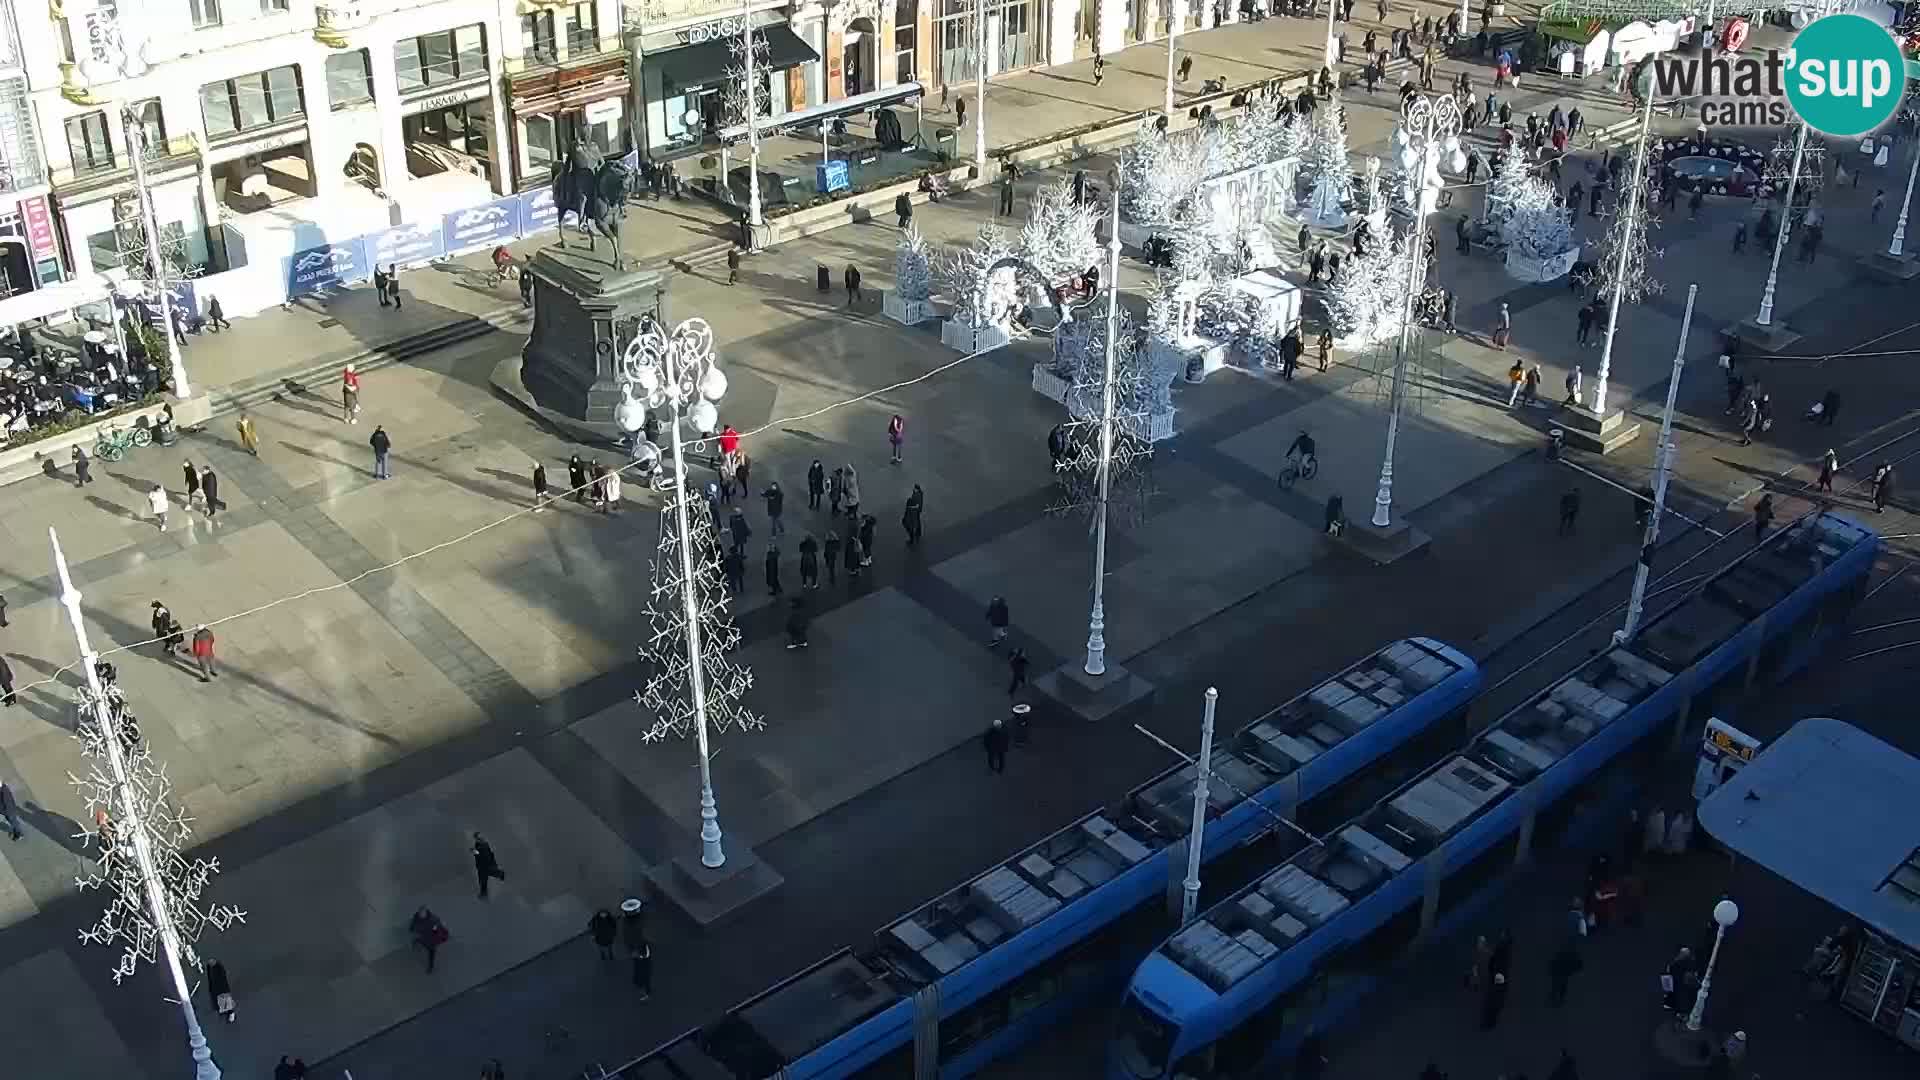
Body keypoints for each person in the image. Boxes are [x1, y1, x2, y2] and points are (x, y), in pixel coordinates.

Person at [410, 906, 447, 972]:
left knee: (432, 951)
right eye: (420, 914)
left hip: (431, 938)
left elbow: (437, 925)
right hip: (423, 937)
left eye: (423, 914)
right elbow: (413, 925)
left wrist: (435, 930)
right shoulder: (416, 918)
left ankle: (430, 967)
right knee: (417, 942)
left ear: (426, 913)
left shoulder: (433, 918)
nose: (422, 915)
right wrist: (412, 929)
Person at [472, 832, 504, 899]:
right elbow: (489, 854)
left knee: (485, 877)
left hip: (484, 865)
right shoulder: (480, 844)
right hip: (482, 865)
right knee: (483, 879)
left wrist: (474, 852)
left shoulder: (483, 844)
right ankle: (483, 893)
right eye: (476, 838)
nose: (477, 839)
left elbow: (482, 855)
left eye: (477, 837)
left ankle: (501, 874)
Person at [206, 959, 236, 1023]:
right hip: (218, 988)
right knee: (221, 998)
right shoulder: (216, 969)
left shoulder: (219, 969)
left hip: (220, 988)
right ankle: (228, 1011)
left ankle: (230, 1013)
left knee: (224, 998)